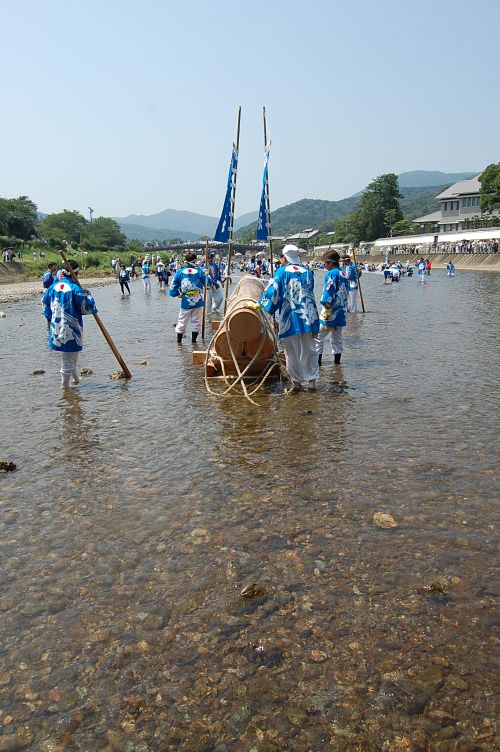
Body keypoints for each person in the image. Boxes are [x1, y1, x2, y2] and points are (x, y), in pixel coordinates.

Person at [259, 244, 319, 392]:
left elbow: (274, 291)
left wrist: (262, 304)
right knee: (309, 349)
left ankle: (297, 382)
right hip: (310, 317)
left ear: (284, 257)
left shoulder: (282, 271)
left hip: (291, 317)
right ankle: (312, 381)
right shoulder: (308, 271)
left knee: (291, 351)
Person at [42, 260, 97, 388]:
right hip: (71, 328)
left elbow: (45, 303)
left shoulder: (53, 287)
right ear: (75, 273)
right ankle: (65, 388)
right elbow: (87, 308)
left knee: (69, 355)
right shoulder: (75, 289)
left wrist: (50, 318)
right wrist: (88, 295)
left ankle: (75, 378)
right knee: (68, 357)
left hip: (56, 326)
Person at [169, 251, 212, 344]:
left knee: (182, 321)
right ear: (195, 261)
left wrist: (175, 293)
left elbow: (173, 285)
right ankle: (194, 342)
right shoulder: (200, 272)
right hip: (198, 301)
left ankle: (179, 342)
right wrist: (207, 275)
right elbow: (208, 284)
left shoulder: (180, 272)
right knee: (196, 322)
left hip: (186, 302)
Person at [316, 251, 349, 366]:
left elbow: (328, 292)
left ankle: (318, 364)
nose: (324, 265)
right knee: (337, 339)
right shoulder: (343, 274)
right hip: (341, 312)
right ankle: (337, 364)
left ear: (330, 262)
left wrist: (326, 308)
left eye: (325, 263)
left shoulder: (331, 274)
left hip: (330, 310)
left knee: (318, 337)